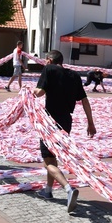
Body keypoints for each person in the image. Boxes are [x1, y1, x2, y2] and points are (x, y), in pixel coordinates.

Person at [33, 50, 96, 213]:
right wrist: (90, 123)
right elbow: (84, 100)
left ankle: (68, 189)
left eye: (46, 60)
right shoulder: (74, 75)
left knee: (47, 160)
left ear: (49, 60)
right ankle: (48, 190)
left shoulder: (49, 70)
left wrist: (30, 91)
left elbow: (39, 93)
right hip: (66, 121)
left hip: (50, 120)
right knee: (52, 156)